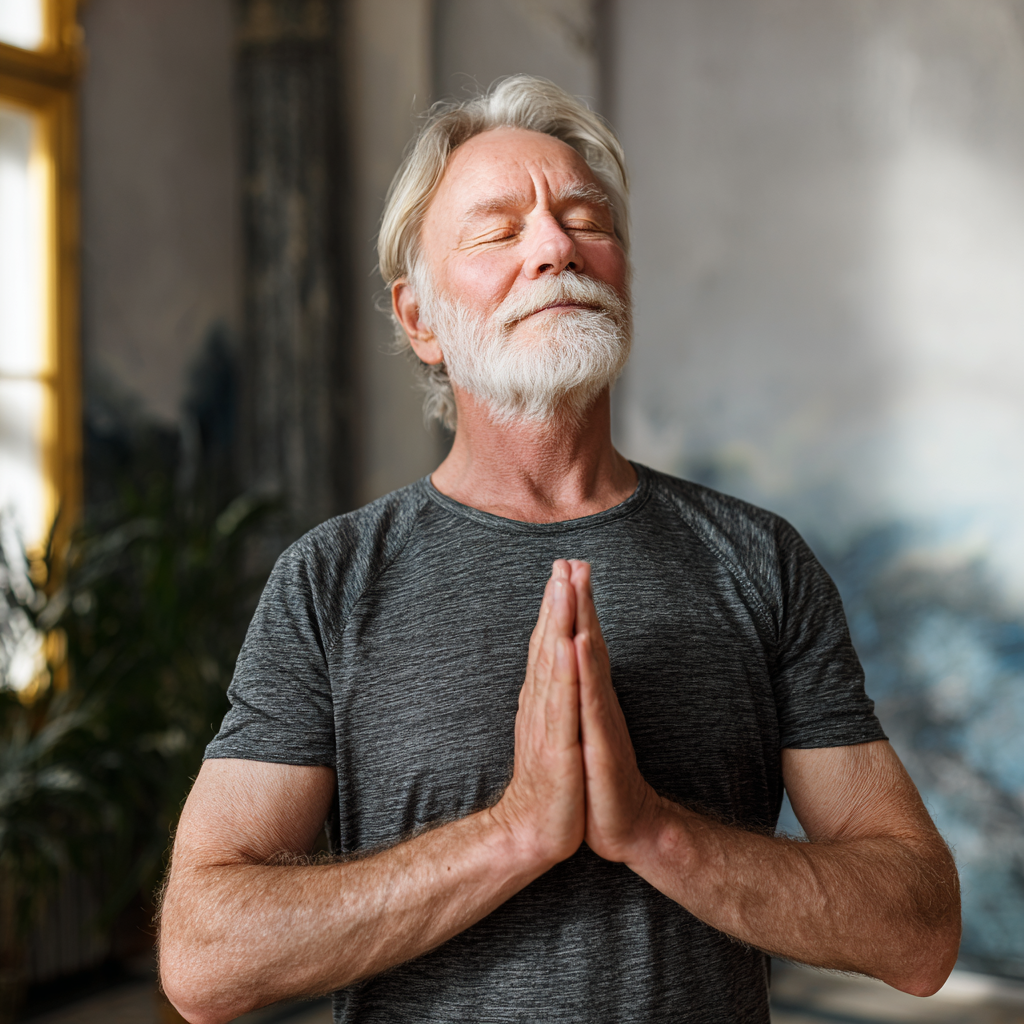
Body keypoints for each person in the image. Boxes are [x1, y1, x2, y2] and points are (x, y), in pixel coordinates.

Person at [158, 76, 960, 1024]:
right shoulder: (331, 583)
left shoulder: (758, 561)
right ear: (419, 319)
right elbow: (205, 958)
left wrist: (655, 831)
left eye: (587, 220)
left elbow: (919, 935)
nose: (554, 247)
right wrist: (512, 835)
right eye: (499, 232)